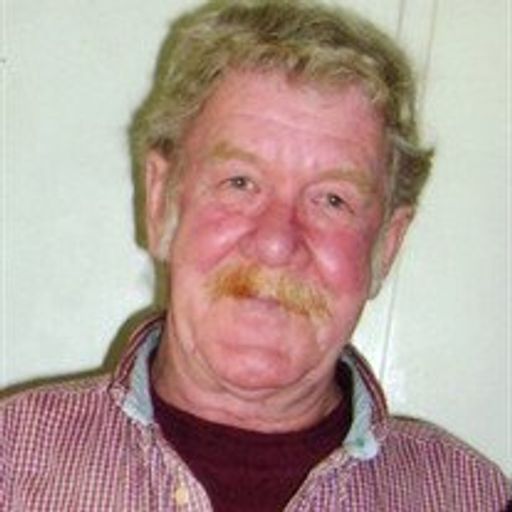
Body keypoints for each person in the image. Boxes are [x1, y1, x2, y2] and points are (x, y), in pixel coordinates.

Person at [1, 0, 510, 510]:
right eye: (240, 182)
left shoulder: (474, 497)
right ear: (160, 204)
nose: (275, 242)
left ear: (387, 245)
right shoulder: (11, 466)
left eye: (332, 200)